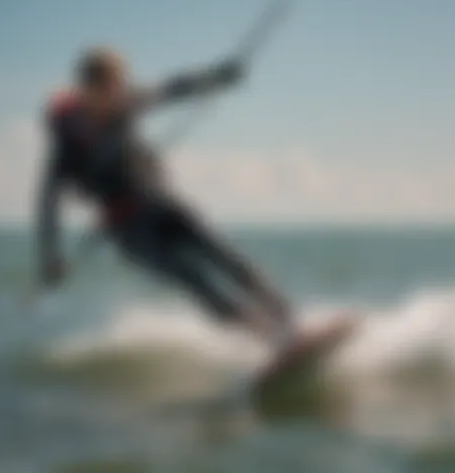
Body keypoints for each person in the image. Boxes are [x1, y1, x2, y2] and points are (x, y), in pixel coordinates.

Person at [37, 46, 296, 349]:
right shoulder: (68, 143)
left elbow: (174, 88)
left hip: (162, 203)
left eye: (121, 84)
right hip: (131, 232)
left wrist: (218, 77)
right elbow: (47, 204)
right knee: (198, 281)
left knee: (226, 257)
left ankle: (289, 319)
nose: (119, 94)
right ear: (89, 89)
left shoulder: (126, 101)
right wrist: (50, 256)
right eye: (110, 88)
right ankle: (266, 339)